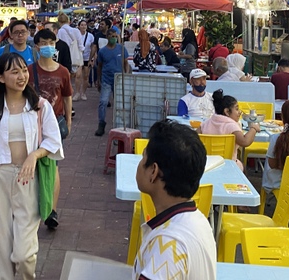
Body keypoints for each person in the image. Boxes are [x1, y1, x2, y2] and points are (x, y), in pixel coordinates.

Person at [0, 53, 64, 280]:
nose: (22, 76)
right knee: (0, 247)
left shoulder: (40, 106)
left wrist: (35, 155)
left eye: (23, 70)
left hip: (28, 178)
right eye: (14, 72)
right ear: (0, 77)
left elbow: (52, 140)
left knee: (24, 253)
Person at [134, 120, 216, 280]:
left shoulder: (167, 244)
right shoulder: (198, 219)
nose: (140, 163)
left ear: (153, 171)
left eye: (143, 157)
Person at [29, 29, 72, 231]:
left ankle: (51, 211)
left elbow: (67, 97)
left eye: (51, 42)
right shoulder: (29, 71)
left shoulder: (63, 71)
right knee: (32, 165)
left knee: (52, 167)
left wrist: (69, 121)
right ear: (36, 47)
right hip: (31, 125)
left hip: (55, 124)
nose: (48, 46)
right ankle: (32, 207)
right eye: (43, 43)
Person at [200, 89, 260, 171]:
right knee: (242, 166)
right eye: (237, 109)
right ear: (227, 112)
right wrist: (253, 128)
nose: (239, 112)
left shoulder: (206, 123)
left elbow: (194, 137)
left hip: (207, 165)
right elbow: (245, 142)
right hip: (229, 165)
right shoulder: (231, 126)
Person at [95, 29, 130, 136]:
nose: (114, 38)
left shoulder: (121, 49)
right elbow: (99, 66)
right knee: (103, 102)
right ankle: (101, 123)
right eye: (112, 36)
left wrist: (126, 75)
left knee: (119, 102)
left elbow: (126, 64)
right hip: (106, 79)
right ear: (107, 37)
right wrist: (99, 80)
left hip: (119, 79)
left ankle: (119, 124)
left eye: (115, 36)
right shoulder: (102, 51)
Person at [75, 19, 96, 101]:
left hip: (87, 57)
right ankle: (77, 92)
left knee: (86, 76)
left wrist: (92, 59)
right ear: (79, 26)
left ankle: (83, 93)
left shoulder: (90, 36)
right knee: (78, 75)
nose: (83, 26)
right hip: (78, 58)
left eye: (85, 25)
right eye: (82, 25)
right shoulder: (76, 35)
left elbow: (93, 47)